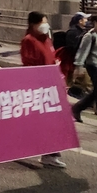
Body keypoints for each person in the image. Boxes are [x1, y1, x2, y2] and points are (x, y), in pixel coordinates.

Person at [20, 11, 67, 168]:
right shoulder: (29, 41)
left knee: (49, 122)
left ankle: (50, 153)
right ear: (33, 24)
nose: (45, 25)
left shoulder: (47, 39)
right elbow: (29, 64)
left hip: (50, 86)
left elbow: (51, 57)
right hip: (38, 88)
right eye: (42, 22)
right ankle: (45, 152)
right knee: (42, 123)